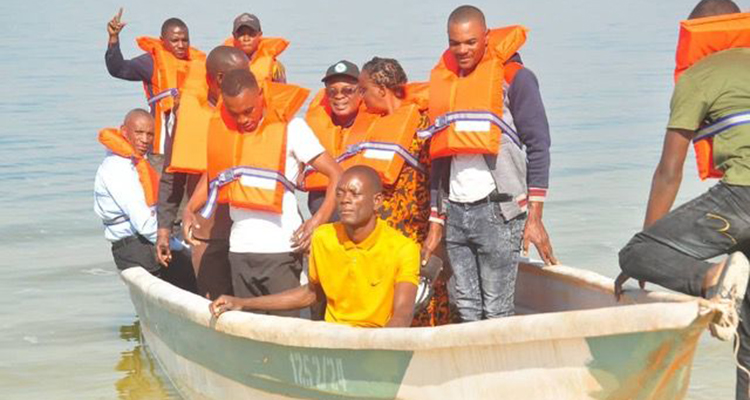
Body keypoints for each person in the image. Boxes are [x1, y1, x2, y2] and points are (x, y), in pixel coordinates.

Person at [616, 1, 750, 397]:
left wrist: (651, 256)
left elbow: (669, 170)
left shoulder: (698, 76)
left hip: (742, 197)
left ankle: (715, 278)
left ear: (697, 34)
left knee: (636, 251)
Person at [420, 6, 556, 322]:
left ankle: (502, 370)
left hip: (500, 212)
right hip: (455, 211)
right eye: (455, 43)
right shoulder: (446, 83)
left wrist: (534, 217)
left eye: (470, 42)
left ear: (486, 37)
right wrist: (435, 222)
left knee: (496, 310)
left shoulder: (516, 80)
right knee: (465, 308)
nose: (463, 50)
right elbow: (439, 156)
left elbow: (539, 145)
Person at [182, 68, 342, 317]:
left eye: (249, 111)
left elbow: (336, 174)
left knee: (285, 329)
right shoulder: (227, 131)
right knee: (248, 330)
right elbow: (215, 175)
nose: (243, 119)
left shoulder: (292, 128)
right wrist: (190, 209)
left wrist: (317, 221)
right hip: (240, 251)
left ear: (260, 96)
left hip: (282, 249)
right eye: (235, 113)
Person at [209, 166, 419, 328]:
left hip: (377, 341)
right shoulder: (323, 237)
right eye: (340, 193)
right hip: (333, 337)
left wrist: (383, 347)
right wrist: (243, 303)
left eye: (354, 194)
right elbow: (312, 294)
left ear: (377, 201)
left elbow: (403, 313)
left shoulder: (403, 248)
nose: (345, 200)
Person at [338, 57, 452, 326]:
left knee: (422, 297)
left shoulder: (422, 125)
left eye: (363, 90)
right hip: (383, 232)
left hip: (415, 230)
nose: (361, 98)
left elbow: (440, 179)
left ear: (380, 88)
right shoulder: (375, 126)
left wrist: (438, 231)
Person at [156, 46, 249, 299]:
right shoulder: (186, 115)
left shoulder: (249, 112)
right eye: (241, 75)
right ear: (219, 79)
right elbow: (170, 176)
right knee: (213, 300)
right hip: (207, 233)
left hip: (248, 228)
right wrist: (164, 228)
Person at [94, 109, 195, 290]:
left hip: (147, 241)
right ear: (124, 132)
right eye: (139, 133)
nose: (145, 140)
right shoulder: (118, 169)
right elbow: (145, 225)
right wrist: (183, 248)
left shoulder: (136, 163)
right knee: (195, 273)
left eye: (150, 134)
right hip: (135, 248)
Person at [105, 8, 205, 169]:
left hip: (191, 147)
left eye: (185, 40)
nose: (181, 45)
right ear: (163, 41)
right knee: (159, 192)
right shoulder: (151, 63)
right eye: (175, 40)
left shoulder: (198, 66)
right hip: (161, 150)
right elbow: (118, 69)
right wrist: (113, 38)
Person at [302, 60, 370, 216]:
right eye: (333, 91)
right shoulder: (312, 127)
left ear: (361, 92)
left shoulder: (376, 122)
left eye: (347, 90)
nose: (339, 96)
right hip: (322, 203)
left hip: (360, 204)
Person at [224, 13, 287, 83]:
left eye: (251, 34)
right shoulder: (223, 63)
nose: (246, 39)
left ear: (259, 35)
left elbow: (282, 92)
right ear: (234, 36)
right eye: (241, 34)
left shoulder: (274, 67)